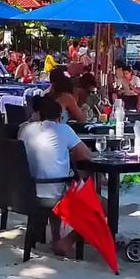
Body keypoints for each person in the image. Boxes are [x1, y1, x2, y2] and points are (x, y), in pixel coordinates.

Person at [18, 97, 91, 257]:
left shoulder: (25, 130)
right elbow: (87, 154)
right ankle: (67, 241)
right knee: (103, 206)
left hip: (26, 191)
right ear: (60, 115)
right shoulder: (63, 130)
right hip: (52, 192)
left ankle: (57, 237)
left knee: (54, 178)